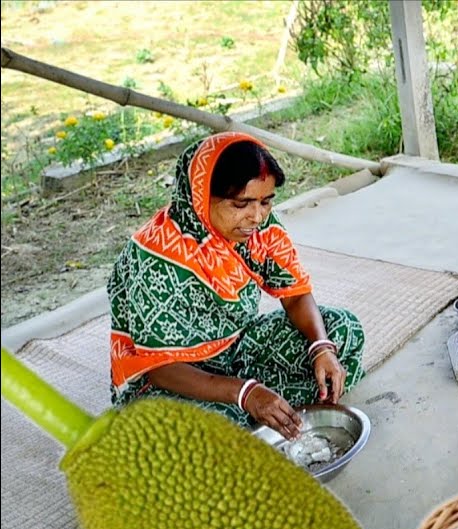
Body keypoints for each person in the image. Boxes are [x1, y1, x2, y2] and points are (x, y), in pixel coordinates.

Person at [108, 132, 364, 439]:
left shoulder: (260, 227)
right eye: (240, 203)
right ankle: (260, 409)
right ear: (201, 194)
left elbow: (295, 294)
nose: (256, 216)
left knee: (342, 330)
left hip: (237, 348)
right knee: (199, 428)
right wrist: (246, 393)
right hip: (177, 378)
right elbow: (160, 368)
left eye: (266, 202)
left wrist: (320, 348)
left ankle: (263, 411)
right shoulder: (156, 254)